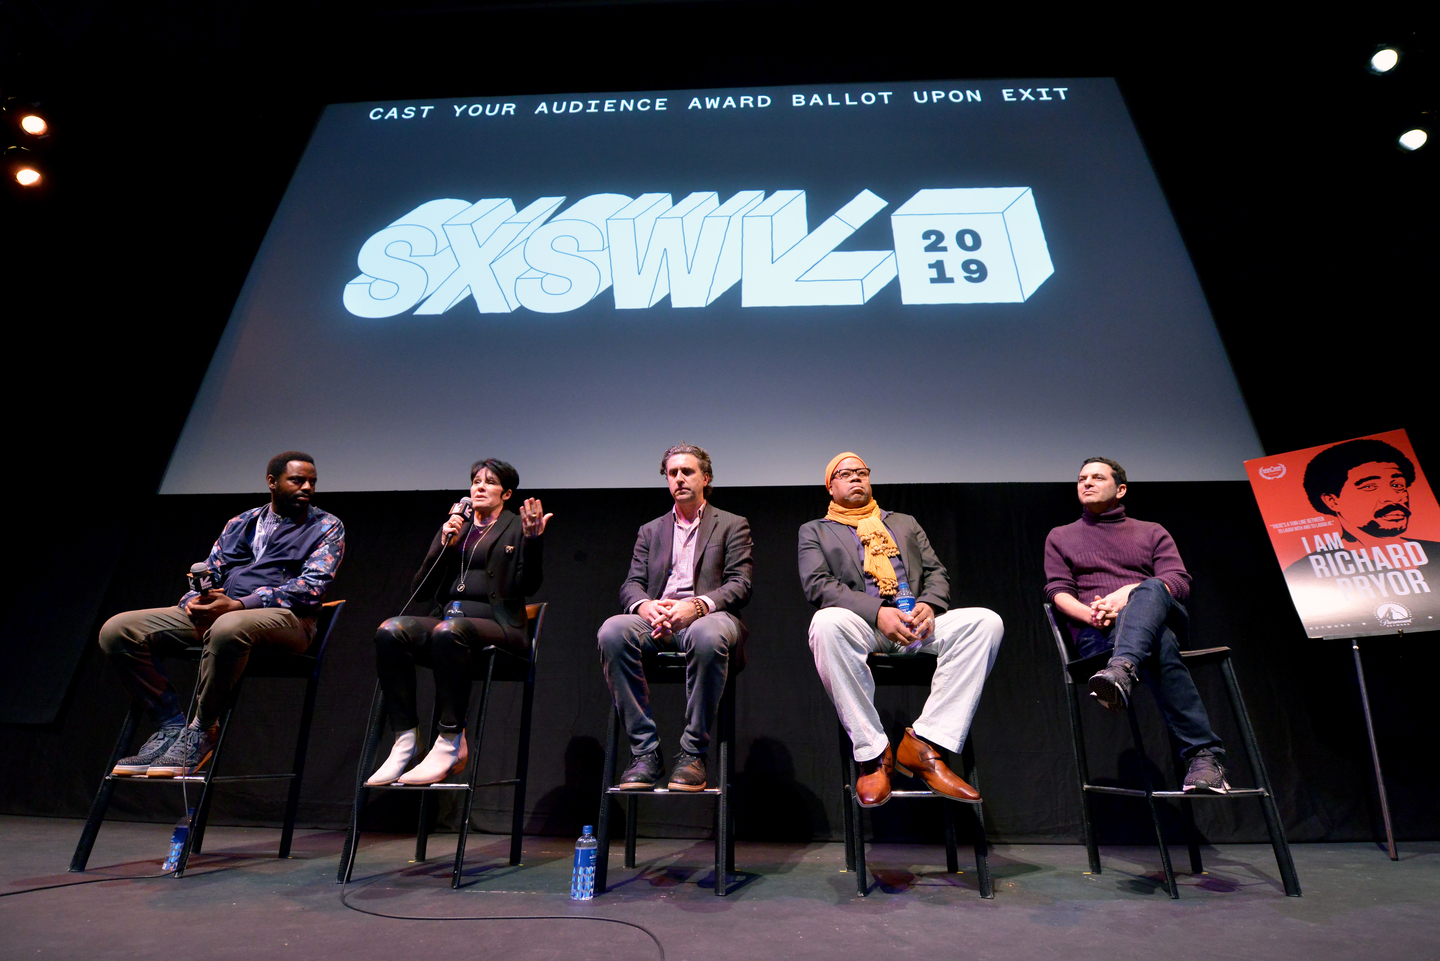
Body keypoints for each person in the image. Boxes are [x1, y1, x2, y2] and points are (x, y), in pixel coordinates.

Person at [100, 452, 345, 777]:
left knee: (228, 626)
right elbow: (211, 570)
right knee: (118, 630)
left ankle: (202, 729)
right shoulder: (240, 523)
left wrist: (240, 605)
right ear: (272, 482)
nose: (307, 488)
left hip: (286, 621)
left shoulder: (326, 526)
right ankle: (170, 724)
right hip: (224, 615)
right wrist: (195, 600)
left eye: (312, 482)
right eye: (297, 480)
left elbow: (312, 587)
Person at [800, 452, 1003, 808]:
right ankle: (874, 755)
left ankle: (925, 742)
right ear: (830, 486)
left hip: (918, 624)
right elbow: (819, 585)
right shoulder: (816, 530)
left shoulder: (904, 522)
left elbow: (936, 572)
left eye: (861, 473)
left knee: (986, 622)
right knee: (825, 623)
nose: (856, 479)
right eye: (845, 474)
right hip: (864, 625)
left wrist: (930, 604)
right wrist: (878, 613)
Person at [1043, 457, 1228, 793]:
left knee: (1154, 587)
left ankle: (1122, 670)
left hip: (1155, 614)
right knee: (1161, 643)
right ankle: (1204, 756)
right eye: (1082, 478)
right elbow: (1057, 590)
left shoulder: (1151, 531)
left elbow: (1178, 582)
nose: (1086, 483)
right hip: (1099, 632)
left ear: (1121, 488)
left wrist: (1128, 596)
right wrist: (1095, 614)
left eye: (1097, 477)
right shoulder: (1061, 536)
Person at [364, 459, 551, 786]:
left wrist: (534, 542)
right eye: (475, 481)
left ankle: (451, 740)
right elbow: (420, 592)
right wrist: (443, 541)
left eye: (489, 482)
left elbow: (529, 586)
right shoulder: (456, 526)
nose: (479, 487)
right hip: (448, 628)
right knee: (390, 631)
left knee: (450, 632)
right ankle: (406, 740)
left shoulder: (516, 526)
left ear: (506, 493)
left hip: (500, 628)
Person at [597, 444, 752, 792]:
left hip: (707, 617)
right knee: (612, 631)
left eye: (688, 472)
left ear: (705, 477)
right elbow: (632, 584)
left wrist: (695, 607)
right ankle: (645, 752)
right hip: (656, 619)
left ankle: (692, 752)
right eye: (672, 473)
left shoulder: (731, 524)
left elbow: (740, 585)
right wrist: (643, 606)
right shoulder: (650, 530)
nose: (679, 478)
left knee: (707, 636)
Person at [1284, 438, 1439, 628]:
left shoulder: (1437, 552)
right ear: (1332, 501)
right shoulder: (1305, 573)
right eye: (1369, 487)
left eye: (1397, 485)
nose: (1393, 497)